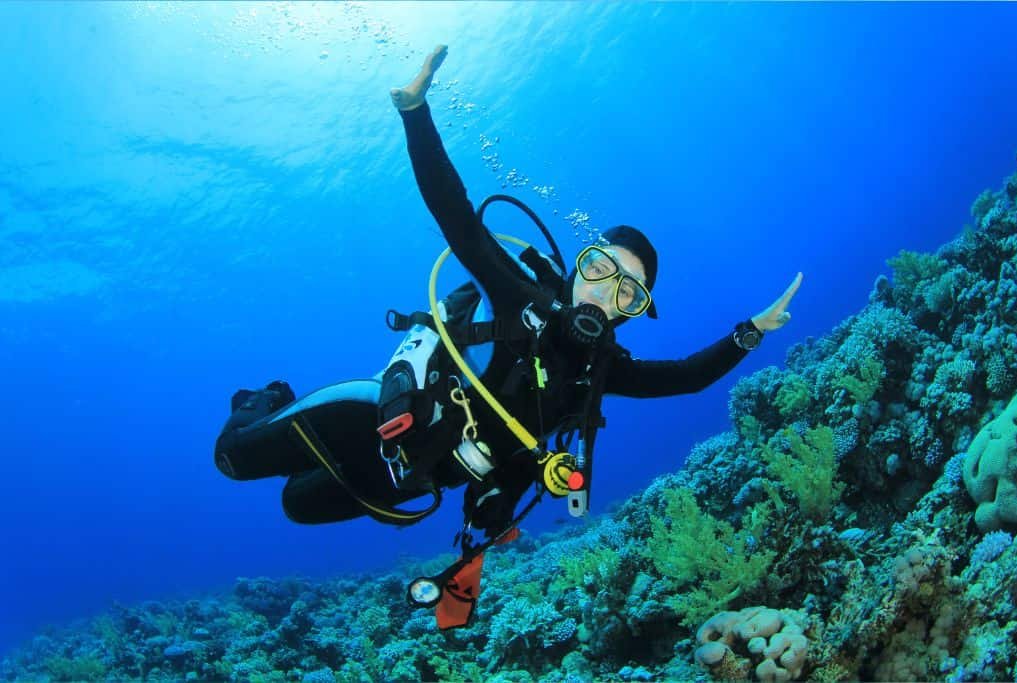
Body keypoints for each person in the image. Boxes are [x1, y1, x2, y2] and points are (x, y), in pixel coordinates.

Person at [214, 45, 802, 627]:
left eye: (627, 291)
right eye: (600, 269)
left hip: (410, 478)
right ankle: (261, 402)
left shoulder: (601, 373)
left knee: (297, 505)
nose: (603, 293)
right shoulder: (521, 295)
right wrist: (416, 114)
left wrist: (751, 332)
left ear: (633, 310)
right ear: (579, 264)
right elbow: (457, 216)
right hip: (374, 417)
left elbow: (687, 378)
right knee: (233, 460)